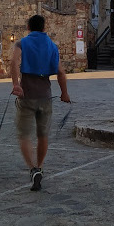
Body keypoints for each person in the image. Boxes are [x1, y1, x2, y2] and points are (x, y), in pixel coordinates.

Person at [10, 14, 70, 191]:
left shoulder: (22, 43)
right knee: (42, 135)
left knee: (24, 135)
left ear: (28, 27)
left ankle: (32, 168)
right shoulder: (52, 46)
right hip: (45, 96)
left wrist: (16, 84)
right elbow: (60, 72)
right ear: (44, 27)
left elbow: (14, 62)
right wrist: (64, 93)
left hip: (26, 95)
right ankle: (40, 166)